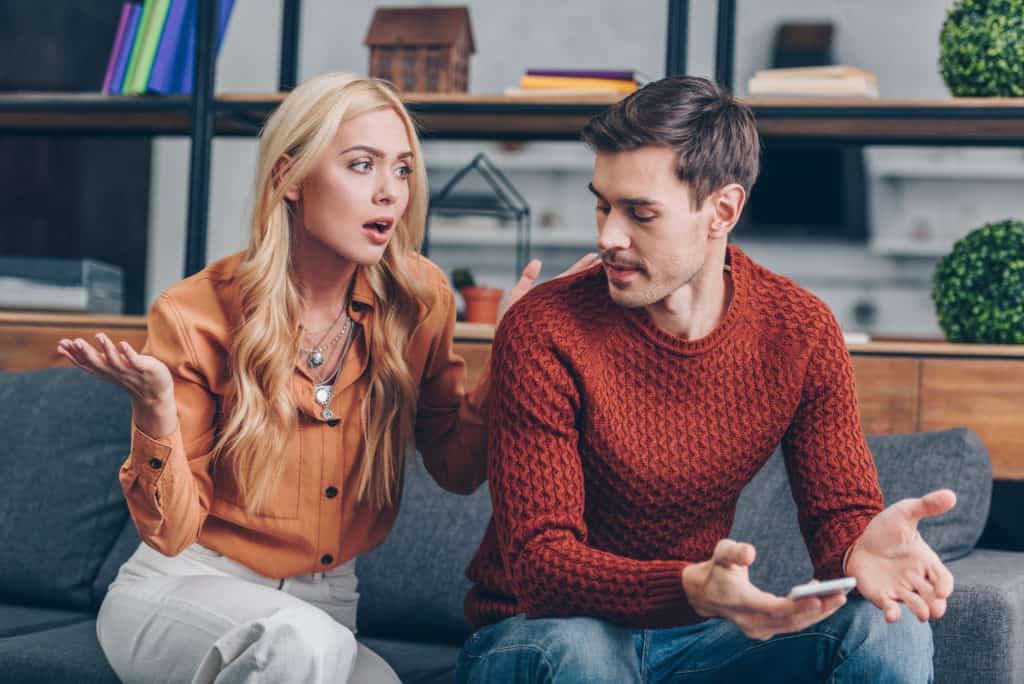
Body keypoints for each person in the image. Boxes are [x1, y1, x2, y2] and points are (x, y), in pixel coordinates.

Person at [57, 72, 594, 684]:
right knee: (301, 644)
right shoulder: (196, 312)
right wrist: (154, 410)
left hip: (328, 607)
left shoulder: (420, 299)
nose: (389, 192)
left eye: (402, 170)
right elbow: (173, 533)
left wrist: (513, 349)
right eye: (362, 165)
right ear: (290, 177)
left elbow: (457, 468)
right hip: (188, 586)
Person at [456, 75, 956, 683]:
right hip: (540, 630)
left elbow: (840, 514)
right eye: (603, 205)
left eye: (640, 213)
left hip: (695, 637)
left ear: (723, 210)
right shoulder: (544, 327)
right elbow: (542, 565)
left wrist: (857, 548)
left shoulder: (801, 332)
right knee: (583, 654)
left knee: (888, 626)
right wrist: (693, 587)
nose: (608, 236)